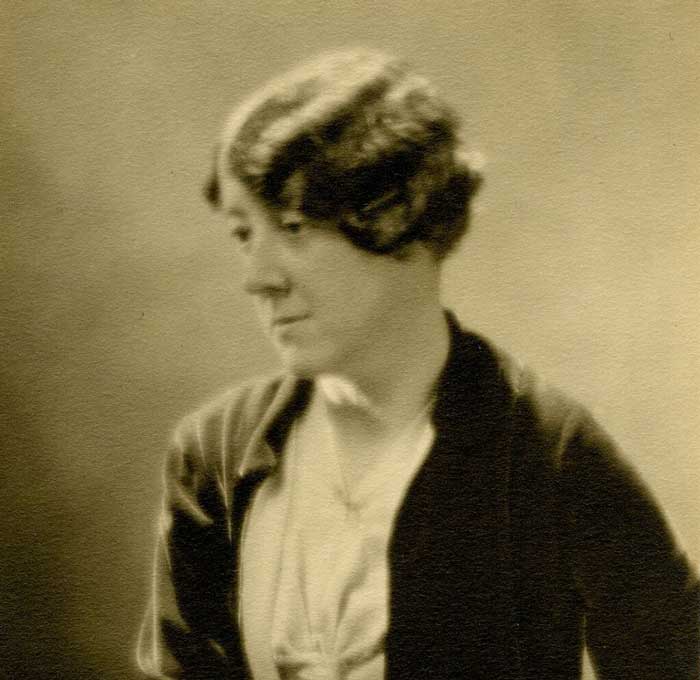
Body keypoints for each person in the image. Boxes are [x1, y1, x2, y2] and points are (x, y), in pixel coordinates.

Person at [136, 49, 698, 680]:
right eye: (245, 235)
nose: (258, 278)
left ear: (398, 215)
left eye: (292, 227)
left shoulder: (544, 449)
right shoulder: (217, 451)